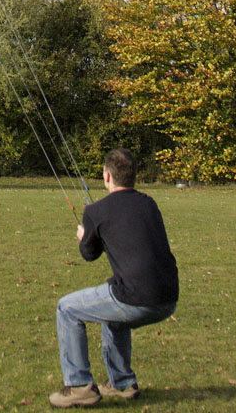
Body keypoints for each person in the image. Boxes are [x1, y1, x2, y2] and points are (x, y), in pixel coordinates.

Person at [49, 148, 179, 408]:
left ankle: (78, 386)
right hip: (169, 297)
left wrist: (83, 236)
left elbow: (89, 254)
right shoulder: (149, 203)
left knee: (67, 308)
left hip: (136, 297)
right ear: (133, 177)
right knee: (112, 316)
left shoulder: (96, 211)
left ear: (107, 176)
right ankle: (121, 384)